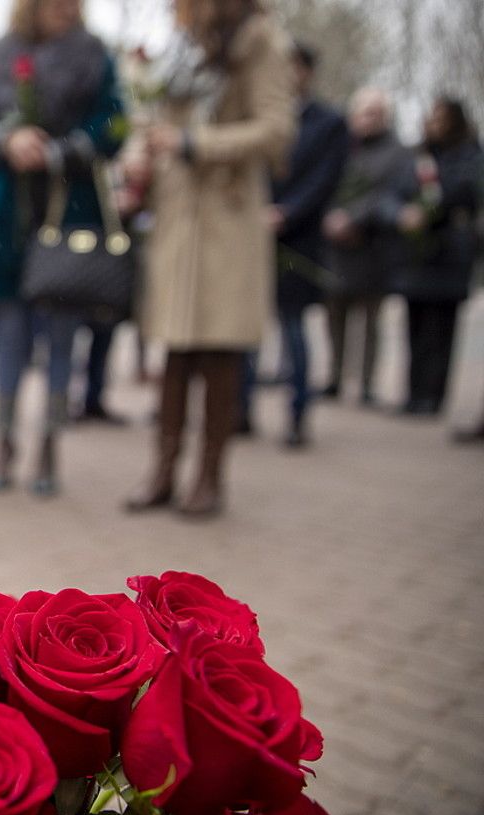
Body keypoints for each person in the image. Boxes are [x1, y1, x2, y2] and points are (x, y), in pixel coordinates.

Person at [126, 0, 295, 518]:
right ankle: (163, 471)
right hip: (178, 214)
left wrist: (195, 143)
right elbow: (154, 120)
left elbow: (276, 131)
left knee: (219, 350)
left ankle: (209, 477)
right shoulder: (180, 50)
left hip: (226, 215)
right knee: (174, 350)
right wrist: (140, 152)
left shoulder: (261, 41)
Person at [0, 0, 126, 494]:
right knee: (8, 335)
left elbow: (113, 127)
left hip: (67, 215)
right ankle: (4, 440)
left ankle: (49, 441)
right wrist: (4, 142)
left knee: (61, 333)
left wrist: (61, 149)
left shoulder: (95, 56)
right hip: (8, 215)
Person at [243, 41, 349, 448]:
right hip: (252, 235)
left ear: (306, 71)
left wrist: (285, 213)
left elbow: (325, 179)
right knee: (248, 328)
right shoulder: (256, 115)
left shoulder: (328, 123)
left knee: (292, 326)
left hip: (298, 240)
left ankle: (298, 414)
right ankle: (240, 410)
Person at [320, 88, 413, 407]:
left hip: (373, 249)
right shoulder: (340, 148)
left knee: (371, 320)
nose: (367, 119)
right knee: (334, 316)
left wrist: (355, 219)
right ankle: (334, 376)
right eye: (362, 112)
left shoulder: (398, 153)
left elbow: (389, 195)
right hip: (336, 250)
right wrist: (330, 217)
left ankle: (367, 383)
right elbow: (324, 184)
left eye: (374, 113)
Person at [395, 98, 481, 416]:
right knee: (415, 327)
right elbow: (397, 190)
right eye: (432, 116)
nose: (434, 123)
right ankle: (413, 393)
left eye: (442, 118)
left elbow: (463, 191)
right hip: (417, 255)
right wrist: (403, 213)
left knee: (441, 329)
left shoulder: (469, 153)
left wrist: (427, 212)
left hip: (449, 255)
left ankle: (433, 397)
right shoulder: (419, 156)